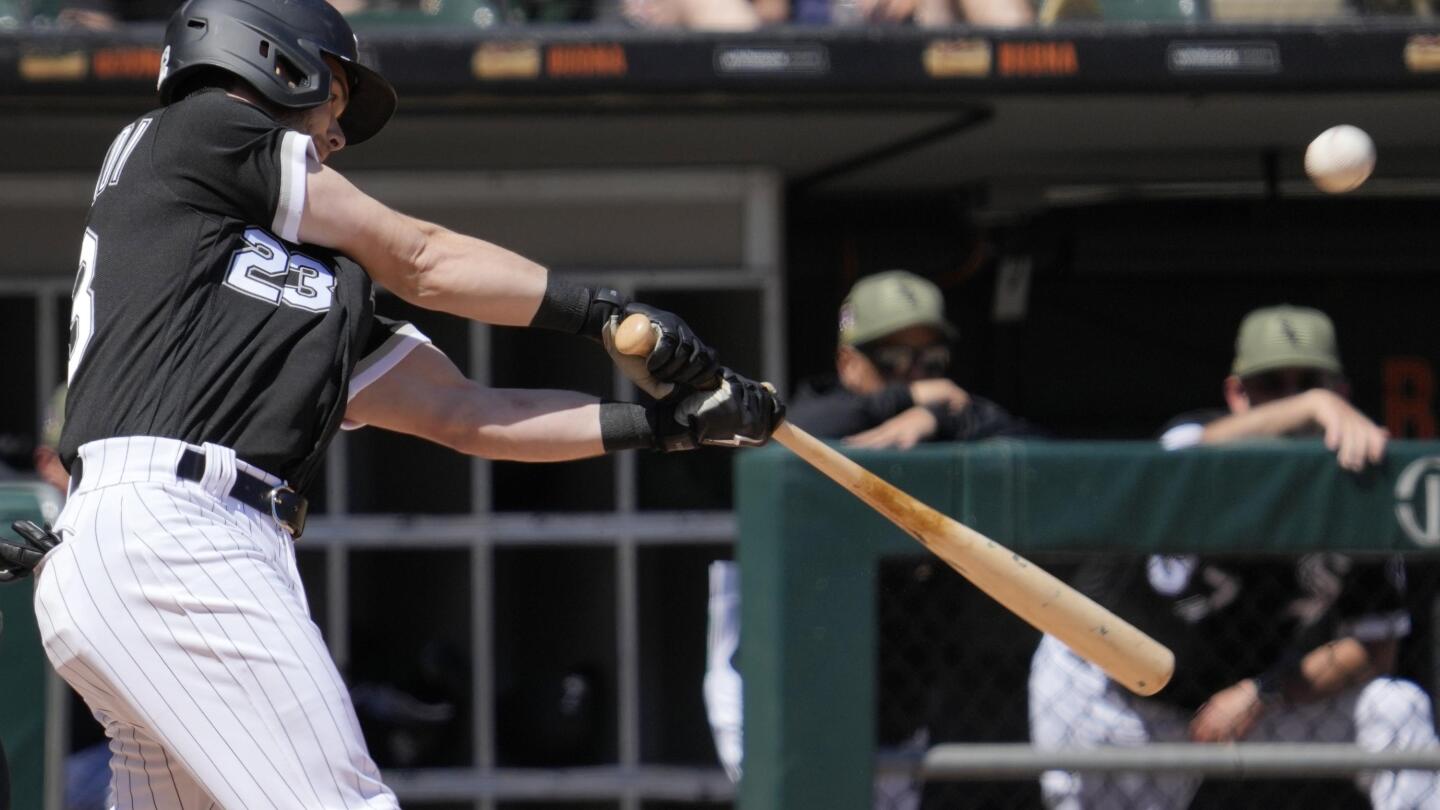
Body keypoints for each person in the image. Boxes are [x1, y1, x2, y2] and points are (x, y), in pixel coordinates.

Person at [0, 1, 784, 807]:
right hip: (172, 530)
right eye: (334, 100)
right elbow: (420, 258)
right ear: (271, 59)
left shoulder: (293, 287)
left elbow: (468, 414)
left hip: (163, 544)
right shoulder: (202, 129)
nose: (338, 136)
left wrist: (664, 428)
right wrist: (608, 313)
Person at [1028, 304, 1440, 810]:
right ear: (1236, 395)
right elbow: (1187, 456)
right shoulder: (1198, 444)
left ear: (1344, 395)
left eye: (1309, 382)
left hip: (1254, 699)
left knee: (1397, 706)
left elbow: (1375, 650)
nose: (1293, 398)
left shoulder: (1362, 490)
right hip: (1121, 698)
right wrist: (1309, 406)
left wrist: (1263, 692)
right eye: (1272, 384)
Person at [704, 269, 1034, 798]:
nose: (916, 375)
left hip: (894, 704)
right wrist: (907, 403)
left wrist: (943, 415)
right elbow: (780, 435)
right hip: (780, 687)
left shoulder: (943, 424)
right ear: (848, 362)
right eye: (895, 361)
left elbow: (1034, 450)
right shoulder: (815, 413)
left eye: (931, 362)